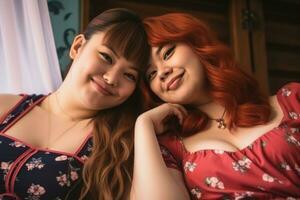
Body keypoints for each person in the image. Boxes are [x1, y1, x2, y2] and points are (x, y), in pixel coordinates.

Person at [131, 12, 300, 199]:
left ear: (196, 44)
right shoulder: (170, 148)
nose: (162, 72)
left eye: (167, 53)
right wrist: (143, 124)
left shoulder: (292, 100)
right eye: (151, 74)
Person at [0, 8, 149, 200]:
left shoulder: (121, 145)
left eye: (129, 75)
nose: (111, 78)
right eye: (106, 57)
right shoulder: (5, 105)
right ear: (77, 46)